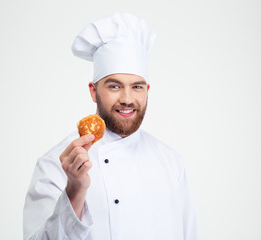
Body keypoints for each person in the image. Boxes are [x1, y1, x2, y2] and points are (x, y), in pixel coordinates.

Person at [23, 12, 199, 240]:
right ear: (93, 91)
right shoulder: (56, 164)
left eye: (137, 87)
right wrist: (74, 192)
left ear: (147, 91)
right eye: (114, 86)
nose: (127, 98)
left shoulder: (171, 161)